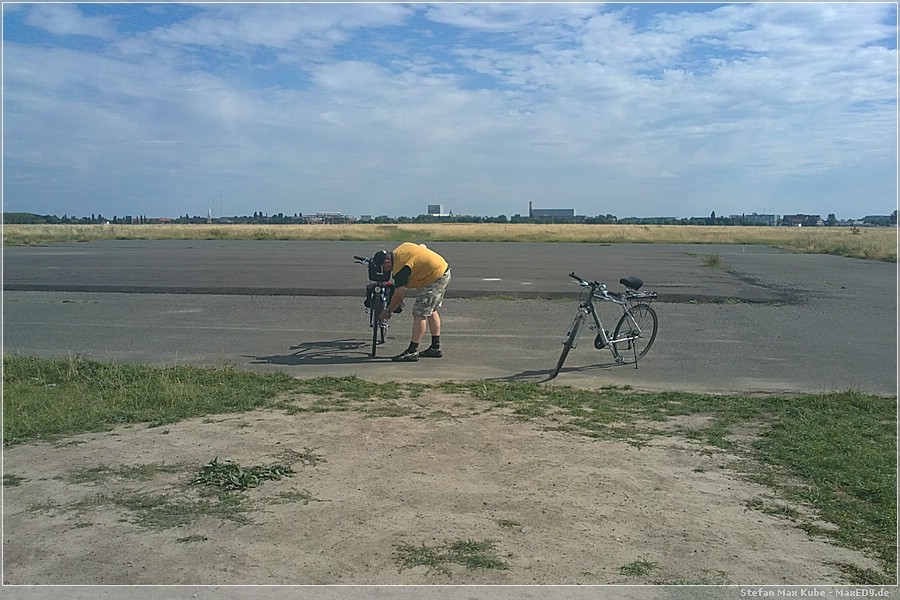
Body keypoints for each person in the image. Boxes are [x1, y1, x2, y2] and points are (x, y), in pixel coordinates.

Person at [374, 242, 451, 362]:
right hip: (442, 270)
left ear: (387, 262)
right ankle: (435, 348)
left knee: (419, 313)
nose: (384, 270)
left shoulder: (400, 270)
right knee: (431, 310)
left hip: (434, 277)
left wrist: (388, 311)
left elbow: (398, 296)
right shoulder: (401, 248)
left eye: (383, 267)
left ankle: (412, 351)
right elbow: (422, 246)